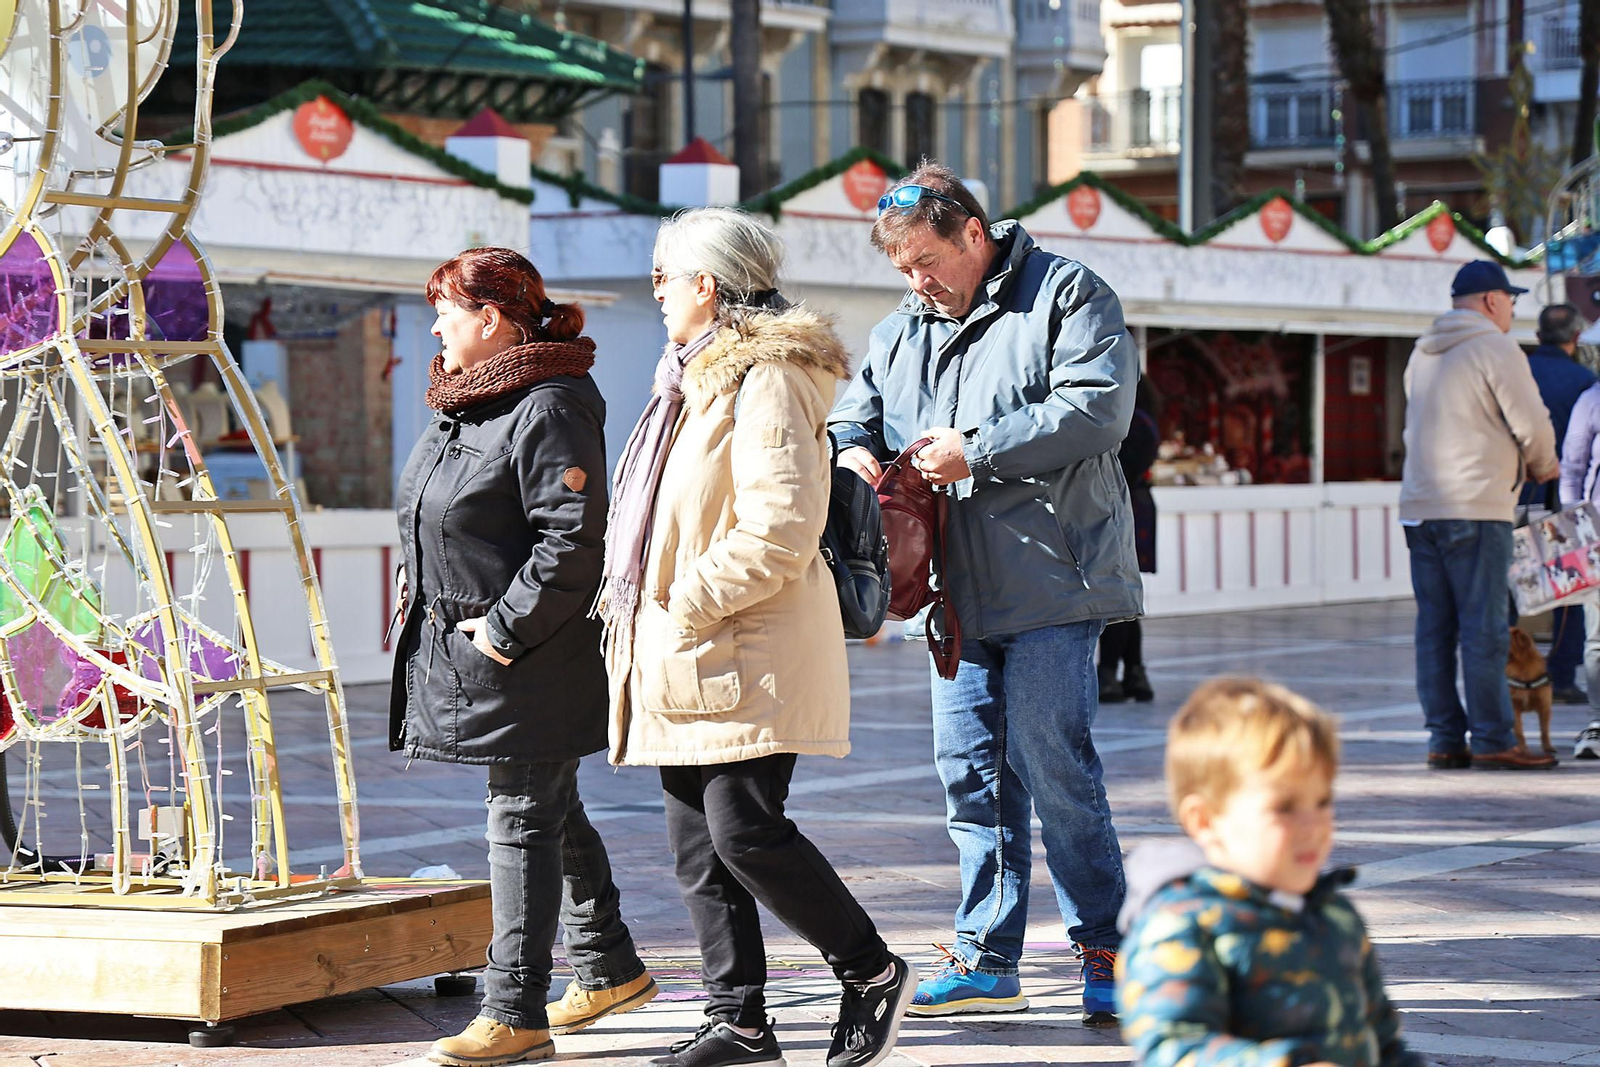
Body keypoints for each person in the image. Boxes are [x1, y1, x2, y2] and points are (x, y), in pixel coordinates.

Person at [598, 207, 916, 1067]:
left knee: (744, 829)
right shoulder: (686, 378)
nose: (657, 292)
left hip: (742, 642)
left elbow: (779, 526)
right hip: (685, 646)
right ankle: (738, 1018)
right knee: (696, 844)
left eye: (666, 277)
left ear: (707, 284)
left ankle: (871, 968)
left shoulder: (766, 375)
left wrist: (687, 603)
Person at [829, 161, 1139, 1027]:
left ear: (975, 232)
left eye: (927, 261)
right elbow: (854, 413)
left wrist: (980, 448)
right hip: (953, 592)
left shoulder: (1069, 294)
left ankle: (1107, 943)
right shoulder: (904, 325)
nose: (918, 283)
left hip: (1053, 576)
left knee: (1053, 764)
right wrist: (852, 450)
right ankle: (987, 952)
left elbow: (1098, 409)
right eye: (902, 272)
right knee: (968, 772)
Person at [391, 247, 655, 1067]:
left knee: (522, 816)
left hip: (526, 650)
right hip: (482, 648)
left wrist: (503, 629)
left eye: (445, 309)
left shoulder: (547, 405)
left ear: (490, 320)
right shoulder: (468, 401)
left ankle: (514, 1008)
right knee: (547, 805)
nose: (435, 324)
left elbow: (572, 538)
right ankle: (608, 963)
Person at [1116, 678, 1425, 1067]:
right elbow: (1172, 1047)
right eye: (1285, 807)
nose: (1314, 825)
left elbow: (1383, 1043)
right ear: (1206, 820)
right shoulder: (1184, 925)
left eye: (1323, 800)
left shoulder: (1336, 917)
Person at [1399, 260, 1560, 771]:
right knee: (1485, 627)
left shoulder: (1422, 352)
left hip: (1421, 508)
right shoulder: (1495, 346)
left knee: (1435, 628)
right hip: (1475, 504)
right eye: (1510, 299)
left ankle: (1445, 740)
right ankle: (1493, 739)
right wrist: (1543, 466)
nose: (1513, 308)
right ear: (1492, 300)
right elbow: (1531, 423)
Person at [1519, 303, 1596, 704]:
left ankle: (1511, 675)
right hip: (1561, 502)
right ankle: (1561, 676)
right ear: (1576, 337)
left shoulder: (1517, 373)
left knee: (1505, 592)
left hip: (1511, 494)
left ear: (1537, 336)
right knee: (1570, 593)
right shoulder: (1584, 382)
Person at [1099, 379, 1160, 704]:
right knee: (1123, 595)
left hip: (1124, 507)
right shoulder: (1141, 418)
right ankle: (1134, 673)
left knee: (1117, 594)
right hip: (1133, 505)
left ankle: (1110, 673)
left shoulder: (1132, 421)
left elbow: (1124, 469)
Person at [1555, 335, 1600, 759]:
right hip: (1597, 534)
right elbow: (1572, 468)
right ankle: (1599, 721)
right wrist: (1576, 522)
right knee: (1598, 639)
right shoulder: (1591, 400)